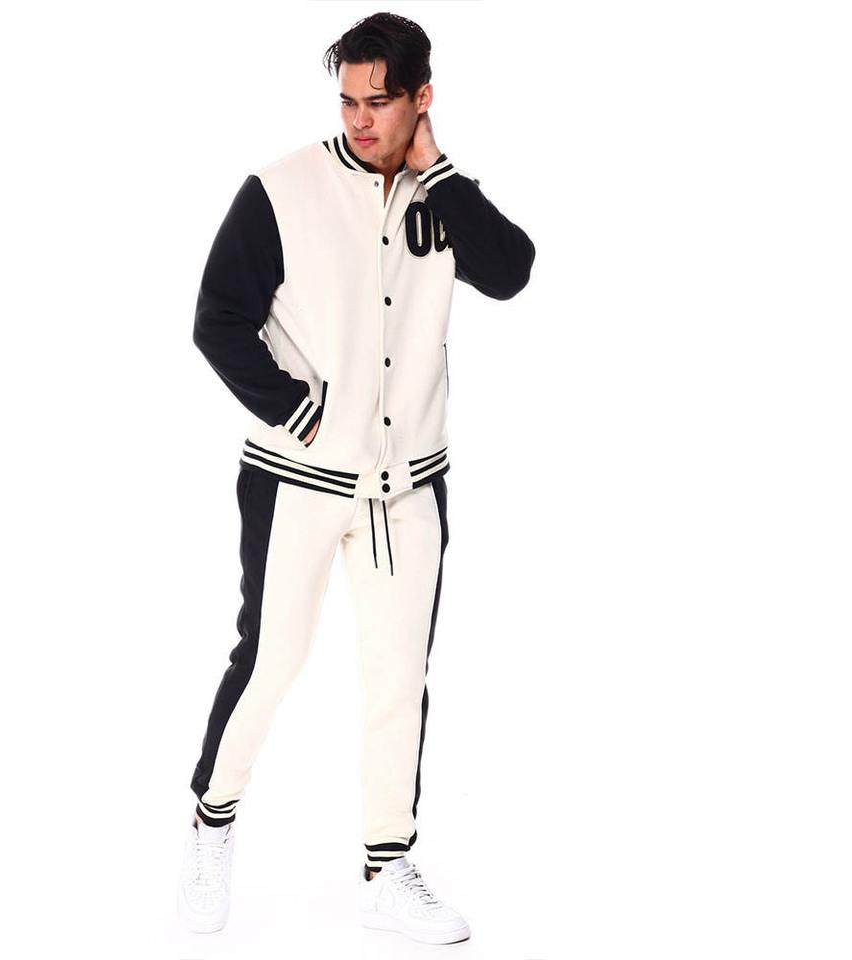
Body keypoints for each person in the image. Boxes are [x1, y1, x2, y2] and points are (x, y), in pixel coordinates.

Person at [178, 11, 534, 945]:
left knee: (397, 678)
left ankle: (388, 862)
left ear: (421, 98)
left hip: (408, 489)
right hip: (294, 479)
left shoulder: (442, 198)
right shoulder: (281, 189)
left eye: (380, 101)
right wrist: (298, 410)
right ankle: (211, 825)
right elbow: (217, 318)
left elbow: (511, 272)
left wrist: (438, 170)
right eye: (347, 101)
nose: (360, 119)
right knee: (271, 658)